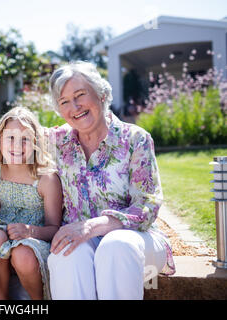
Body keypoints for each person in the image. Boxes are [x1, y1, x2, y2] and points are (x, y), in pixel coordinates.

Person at [46, 61, 175, 300]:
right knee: (66, 253)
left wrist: (93, 226)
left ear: (102, 94)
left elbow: (146, 206)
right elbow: (8, 143)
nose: (74, 107)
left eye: (80, 95)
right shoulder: (56, 141)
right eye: (64, 102)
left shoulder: (135, 139)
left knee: (115, 246)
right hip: (81, 240)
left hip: (136, 238)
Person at [0, 107, 62, 300]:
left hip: (37, 236)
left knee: (22, 254)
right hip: (5, 227)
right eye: (10, 138)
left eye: (25, 139)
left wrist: (29, 231)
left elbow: (54, 227)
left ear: (35, 143)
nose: (17, 146)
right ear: (0, 140)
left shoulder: (45, 178)